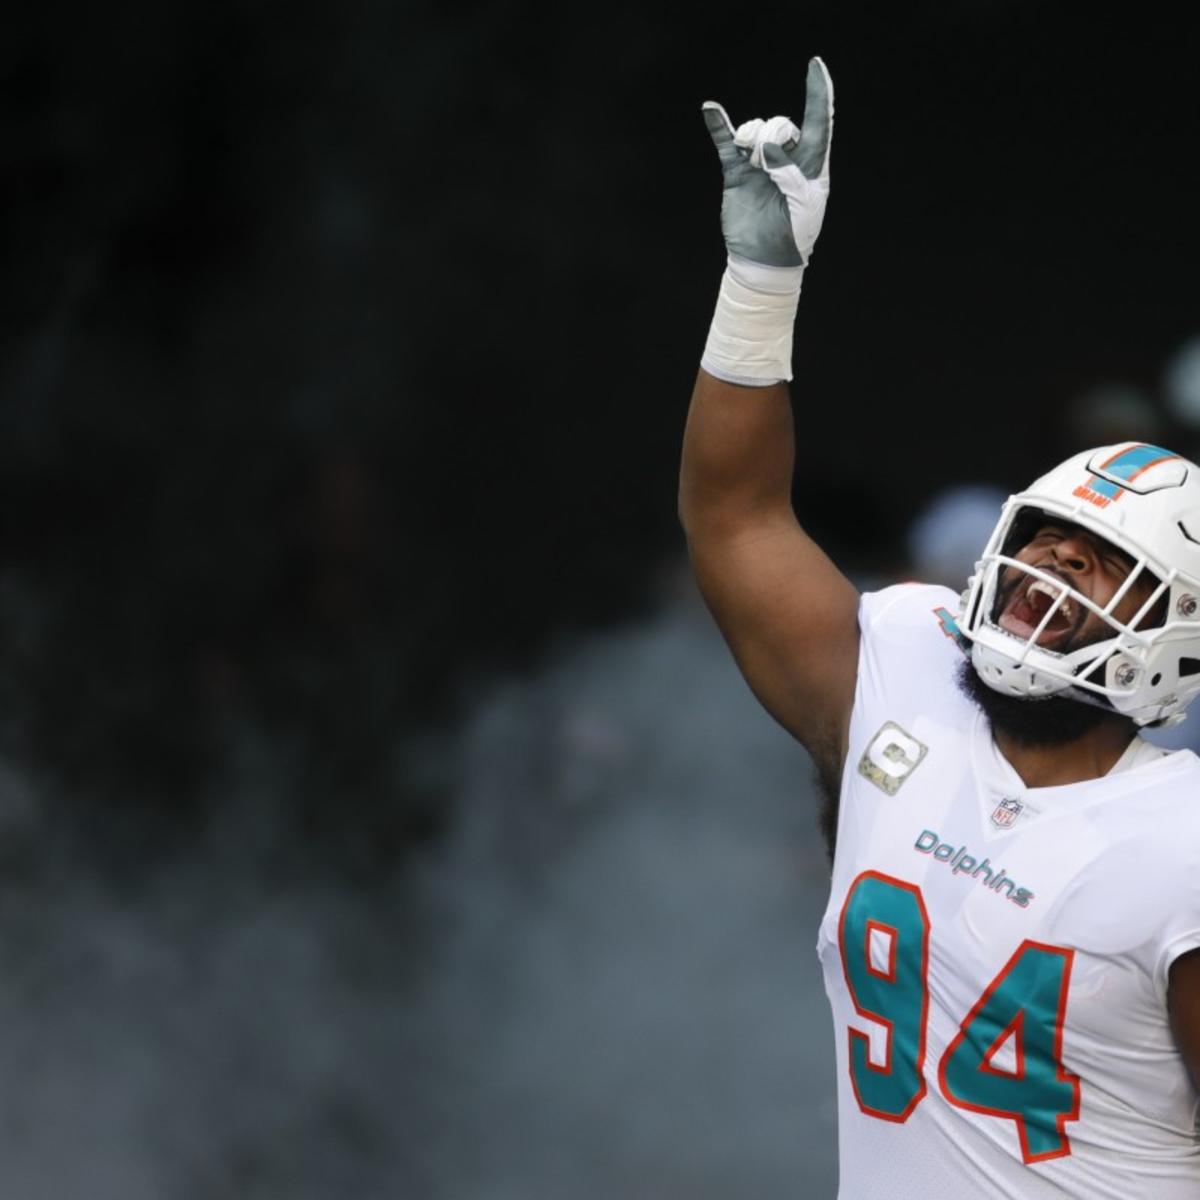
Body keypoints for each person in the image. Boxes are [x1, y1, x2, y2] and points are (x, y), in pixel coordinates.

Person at [678, 57, 1200, 1198]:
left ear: (1176, 642)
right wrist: (760, 283)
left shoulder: (1185, 842)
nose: (1061, 560)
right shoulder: (904, 662)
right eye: (1054, 534)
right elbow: (736, 517)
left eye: (1110, 562)